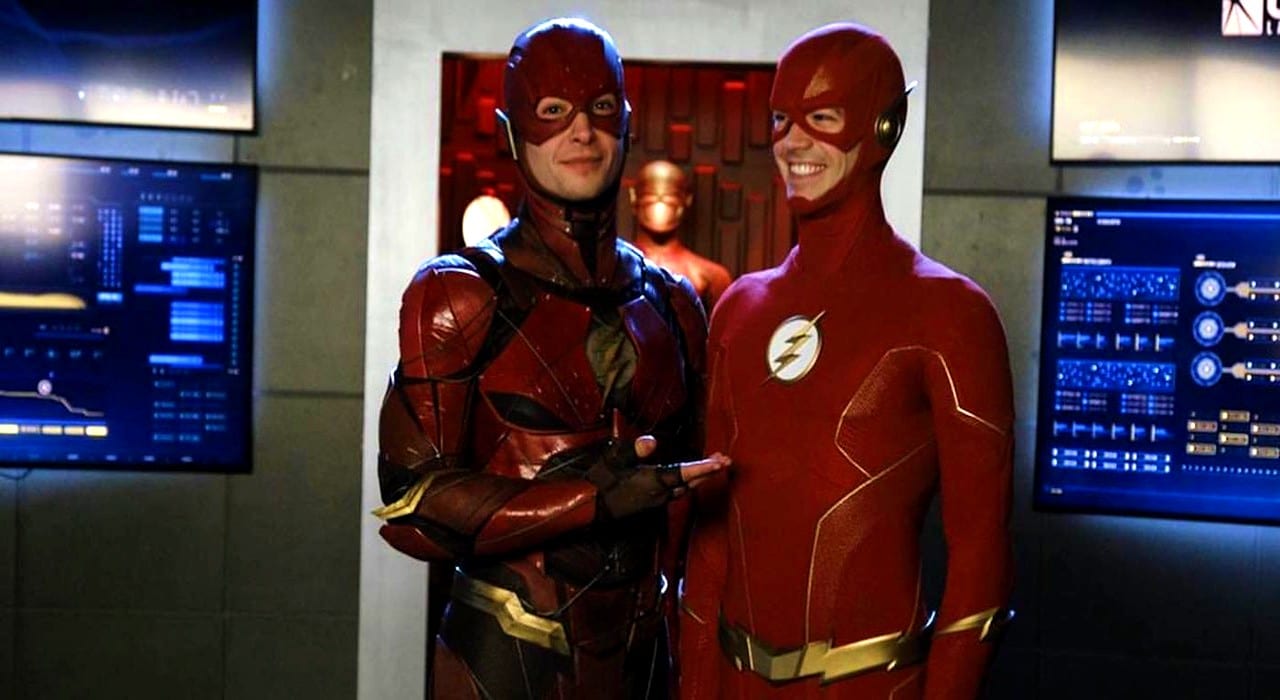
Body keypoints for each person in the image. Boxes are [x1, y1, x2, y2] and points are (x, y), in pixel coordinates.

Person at [373, 17, 727, 699]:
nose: (582, 132)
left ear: (626, 122)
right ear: (513, 133)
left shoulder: (674, 303)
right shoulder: (459, 294)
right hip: (507, 651)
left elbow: (702, 495)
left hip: (644, 657)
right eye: (554, 111)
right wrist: (592, 501)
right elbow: (411, 508)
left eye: (600, 107)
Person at [678, 23, 1014, 699]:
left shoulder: (951, 313)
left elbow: (981, 559)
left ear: (882, 128)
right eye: (781, 119)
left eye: (822, 118)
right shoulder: (738, 309)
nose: (792, 141)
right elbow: (712, 538)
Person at [630, 160, 732, 310]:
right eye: (650, 194)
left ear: (686, 199)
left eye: (669, 195)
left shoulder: (711, 275)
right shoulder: (614, 267)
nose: (660, 201)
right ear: (634, 198)